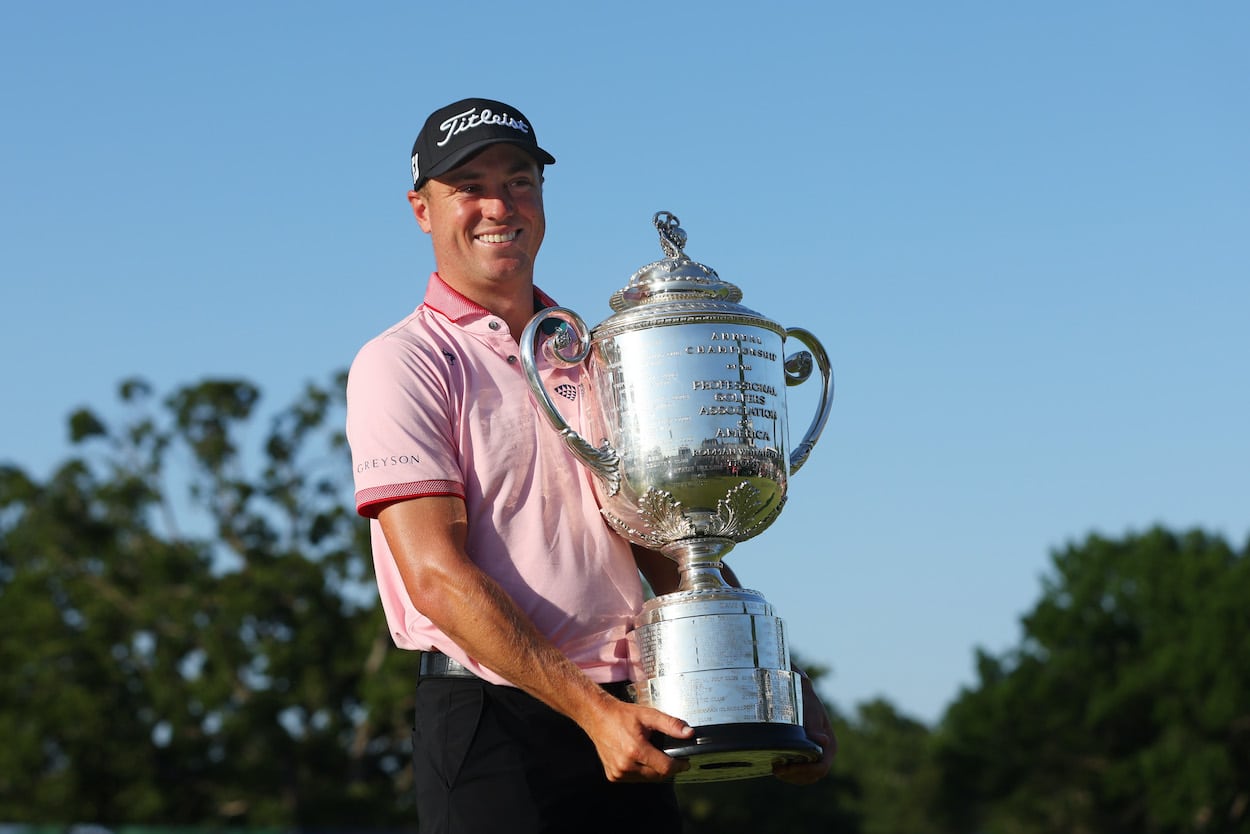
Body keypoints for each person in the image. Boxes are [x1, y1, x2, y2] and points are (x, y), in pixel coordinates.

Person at [345, 97, 834, 834]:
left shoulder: (595, 349)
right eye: (469, 186)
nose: (497, 206)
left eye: (519, 182)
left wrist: (775, 684)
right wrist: (591, 711)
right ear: (422, 209)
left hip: (630, 709)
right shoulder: (403, 362)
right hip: (494, 721)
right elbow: (437, 580)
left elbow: (669, 534)